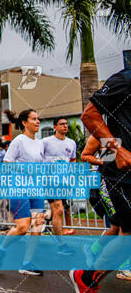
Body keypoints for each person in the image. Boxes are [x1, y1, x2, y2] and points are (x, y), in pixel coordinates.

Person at [70, 69, 131, 292]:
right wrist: (115, 154)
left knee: (121, 230)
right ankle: (92, 262)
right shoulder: (103, 135)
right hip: (114, 179)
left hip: (114, 175)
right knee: (118, 227)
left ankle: (88, 276)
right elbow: (87, 155)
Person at [0, 109, 48, 276]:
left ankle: (26, 263)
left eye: (38, 119)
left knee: (37, 226)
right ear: (24, 122)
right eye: (34, 119)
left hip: (36, 189)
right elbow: (7, 164)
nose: (37, 122)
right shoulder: (18, 141)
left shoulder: (40, 143)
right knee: (23, 227)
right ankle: (1, 248)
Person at [80, 135, 131, 281]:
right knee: (124, 227)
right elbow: (85, 155)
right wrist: (104, 161)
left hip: (123, 185)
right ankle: (125, 267)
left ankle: (92, 250)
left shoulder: (124, 130)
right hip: (106, 184)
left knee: (117, 227)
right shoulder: (103, 132)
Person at [42, 117, 77, 237]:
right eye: (62, 124)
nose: (65, 126)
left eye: (66, 124)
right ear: (55, 127)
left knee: (61, 209)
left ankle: (48, 224)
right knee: (59, 209)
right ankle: (60, 242)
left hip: (64, 181)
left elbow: (73, 160)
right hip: (50, 181)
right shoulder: (46, 142)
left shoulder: (71, 143)